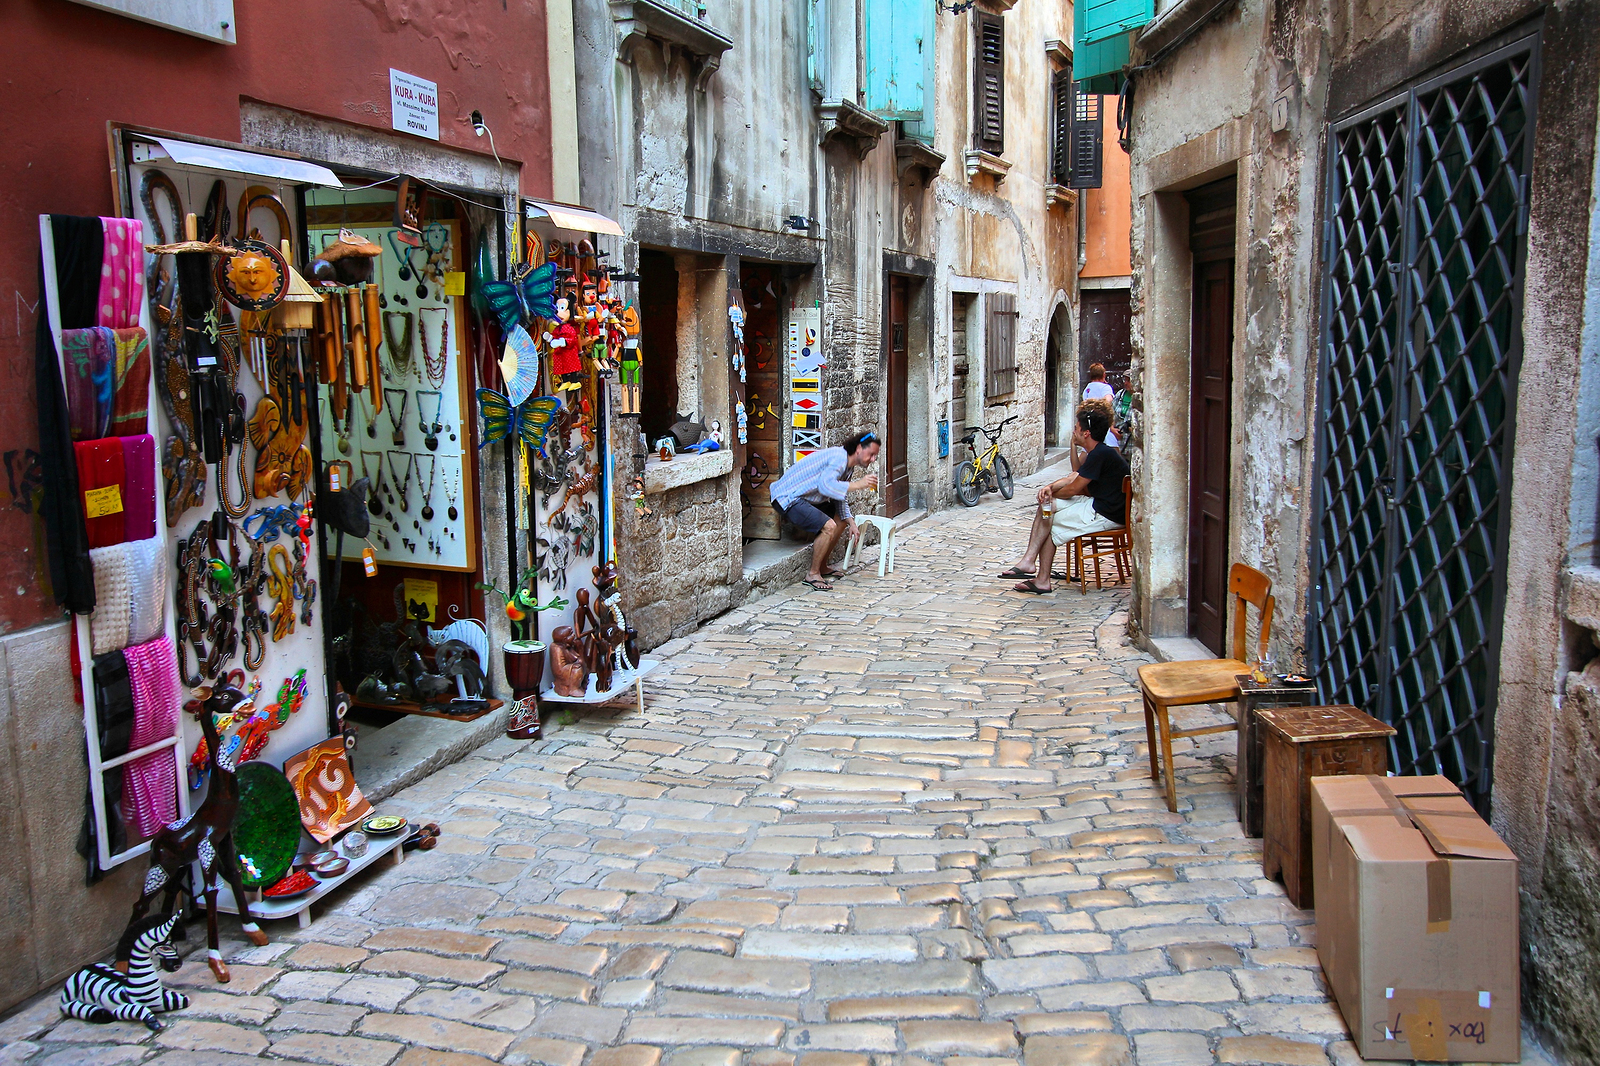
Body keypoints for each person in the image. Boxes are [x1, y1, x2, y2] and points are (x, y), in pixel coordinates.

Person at [1000, 403, 1129, 594]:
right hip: (1099, 506)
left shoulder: (1101, 454)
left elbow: (1073, 489)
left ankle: (1040, 577)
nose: (1074, 432)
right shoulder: (1098, 452)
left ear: (1086, 433)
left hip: (1105, 513)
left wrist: (1050, 493)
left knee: (1049, 519)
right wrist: (1049, 488)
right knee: (1048, 506)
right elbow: (1073, 476)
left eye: (1076, 429)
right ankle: (1029, 561)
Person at [770, 431, 881, 592]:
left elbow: (838, 496)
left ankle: (822, 566)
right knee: (829, 526)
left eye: (875, 456)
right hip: (786, 498)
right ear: (858, 448)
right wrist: (859, 484)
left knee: (842, 519)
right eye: (871, 454)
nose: (873, 459)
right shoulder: (839, 458)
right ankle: (812, 574)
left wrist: (851, 522)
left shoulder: (848, 467)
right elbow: (825, 486)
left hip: (804, 499)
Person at [1081, 366, 1120, 449]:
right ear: (1104, 375)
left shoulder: (1087, 388)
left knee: (1088, 450)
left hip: (1090, 424)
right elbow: (1108, 400)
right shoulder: (1105, 387)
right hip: (1103, 424)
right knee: (1114, 450)